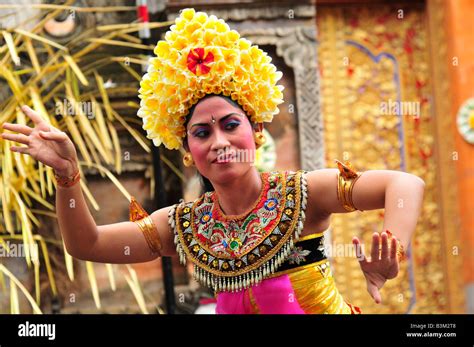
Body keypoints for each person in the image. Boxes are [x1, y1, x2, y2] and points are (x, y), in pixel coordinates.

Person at [0, 8, 425, 314]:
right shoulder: (185, 226)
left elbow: (405, 185)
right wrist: (68, 176)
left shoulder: (303, 193)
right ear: (188, 150)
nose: (219, 141)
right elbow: (86, 245)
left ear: (256, 130)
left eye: (230, 124)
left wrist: (393, 253)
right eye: (202, 133)